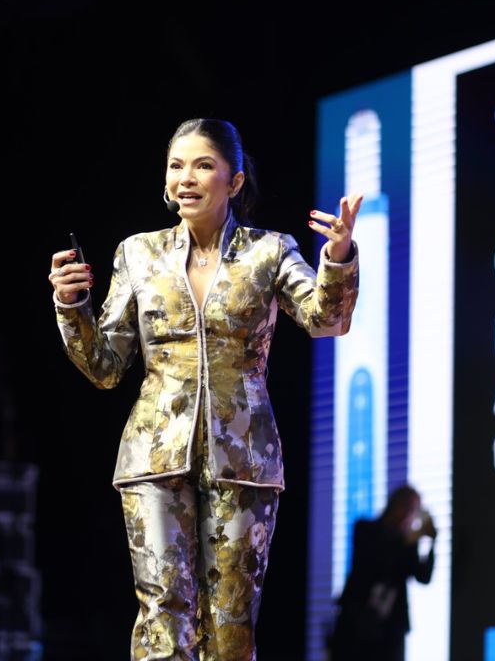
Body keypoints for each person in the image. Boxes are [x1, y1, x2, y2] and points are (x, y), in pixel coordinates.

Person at [48, 117, 362, 660]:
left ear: (234, 182)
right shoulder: (138, 254)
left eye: (203, 165)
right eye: (176, 166)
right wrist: (71, 307)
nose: (186, 177)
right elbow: (104, 366)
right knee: (161, 617)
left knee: (230, 627)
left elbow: (326, 320)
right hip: (154, 455)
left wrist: (337, 258)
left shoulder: (269, 251)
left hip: (244, 456)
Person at [328, 485, 437, 661]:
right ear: (395, 505)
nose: (409, 516)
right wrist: (410, 539)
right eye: (408, 508)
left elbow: (423, 576)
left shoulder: (407, 543)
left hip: (391, 632)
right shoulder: (365, 529)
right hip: (356, 625)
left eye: (414, 511)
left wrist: (432, 543)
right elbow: (377, 562)